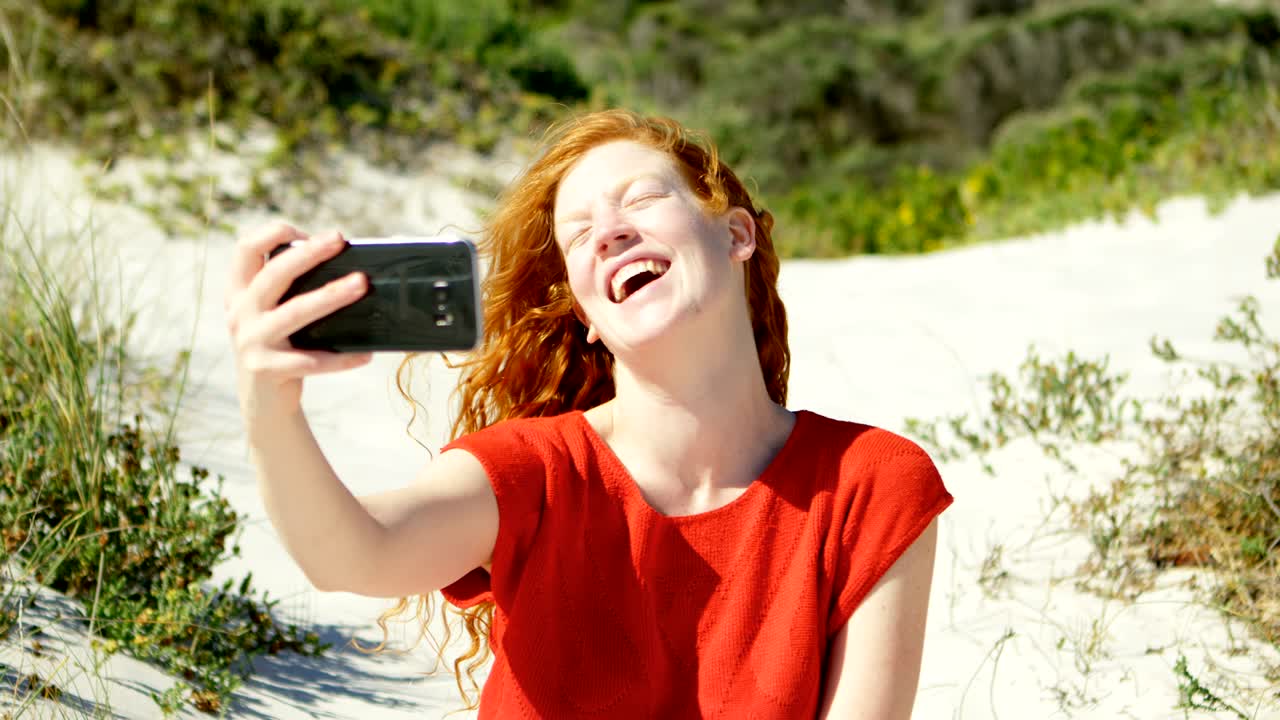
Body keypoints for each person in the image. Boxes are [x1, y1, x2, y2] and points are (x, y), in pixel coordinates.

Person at [224, 109, 954, 719]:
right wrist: (269, 405)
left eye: (640, 200)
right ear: (589, 316)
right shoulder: (533, 471)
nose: (608, 230)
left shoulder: (870, 485)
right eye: (580, 233)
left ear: (736, 236)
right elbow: (353, 554)